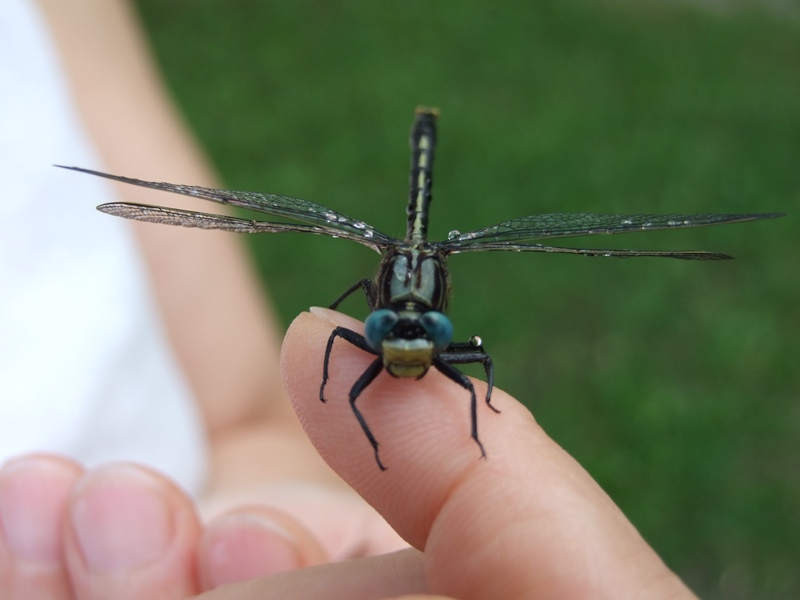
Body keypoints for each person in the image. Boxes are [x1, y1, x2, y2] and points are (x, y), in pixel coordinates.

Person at [0, 1, 699, 598]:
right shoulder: (368, 326)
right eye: (391, 324)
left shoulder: (433, 337)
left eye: (419, 330)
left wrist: (478, 416)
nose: (404, 340)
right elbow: (342, 363)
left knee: (458, 368)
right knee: (328, 337)